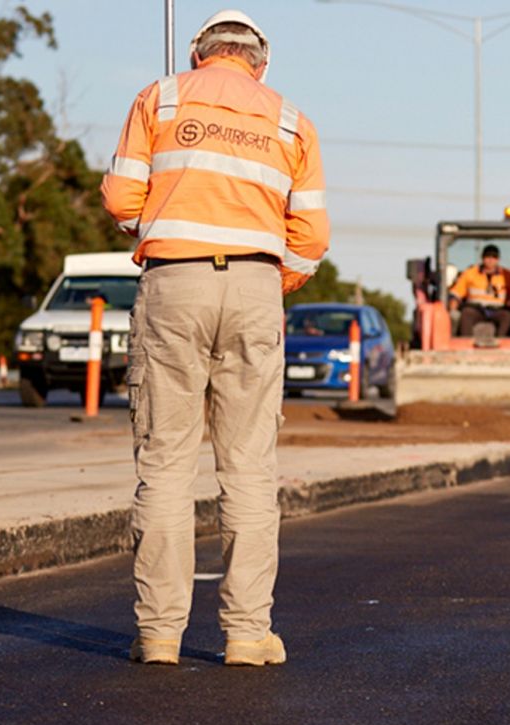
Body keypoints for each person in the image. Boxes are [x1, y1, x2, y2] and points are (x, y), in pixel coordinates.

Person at [101, 9, 329, 665]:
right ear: (260, 62)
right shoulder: (290, 120)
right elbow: (311, 237)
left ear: (202, 54)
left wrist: (161, 222)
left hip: (175, 283)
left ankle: (161, 635)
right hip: (257, 287)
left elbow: (121, 199)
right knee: (251, 469)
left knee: (166, 465)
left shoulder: (160, 97)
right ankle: (247, 635)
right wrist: (269, 282)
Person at [448, 244, 510, 337]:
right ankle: (466, 343)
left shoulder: (507, 275)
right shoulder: (470, 273)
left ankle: (502, 342)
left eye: (494, 257)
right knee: (466, 314)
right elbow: (456, 293)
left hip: (498, 309)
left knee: (507, 316)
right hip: (476, 309)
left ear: (498, 259)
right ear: (482, 258)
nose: (490, 260)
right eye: (488, 256)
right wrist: (453, 303)